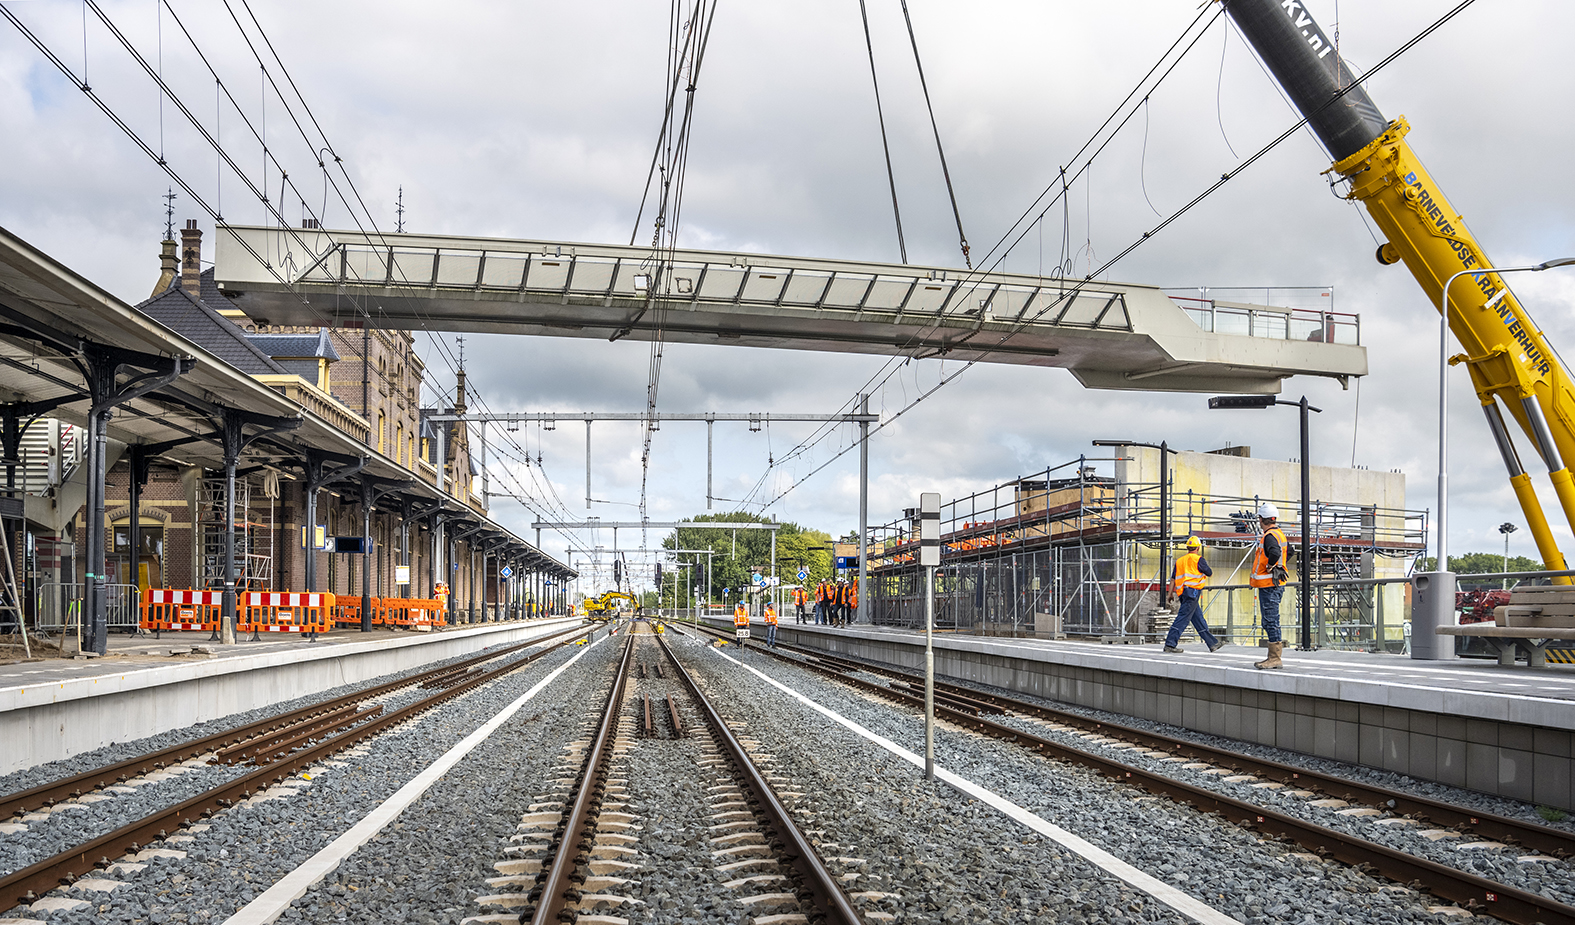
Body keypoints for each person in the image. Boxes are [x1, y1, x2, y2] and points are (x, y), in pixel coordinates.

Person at [1162, 535, 1223, 654]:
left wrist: (1170, 594)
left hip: (1182, 593)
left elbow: (1173, 579)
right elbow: (1209, 573)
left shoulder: (1180, 561)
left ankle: (1212, 643)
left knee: (1198, 619)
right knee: (1183, 618)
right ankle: (1170, 643)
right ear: (1198, 548)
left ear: (1188, 548)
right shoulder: (1199, 559)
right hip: (1193, 592)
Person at [1251, 502, 1291, 669]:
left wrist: (1271, 565)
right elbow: (1291, 552)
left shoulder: (1269, 536)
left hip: (1269, 584)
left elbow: (1275, 552)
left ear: (1262, 519)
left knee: (1270, 619)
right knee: (1270, 619)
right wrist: (1279, 564)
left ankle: (1274, 658)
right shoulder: (1279, 534)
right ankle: (1273, 657)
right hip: (1274, 583)